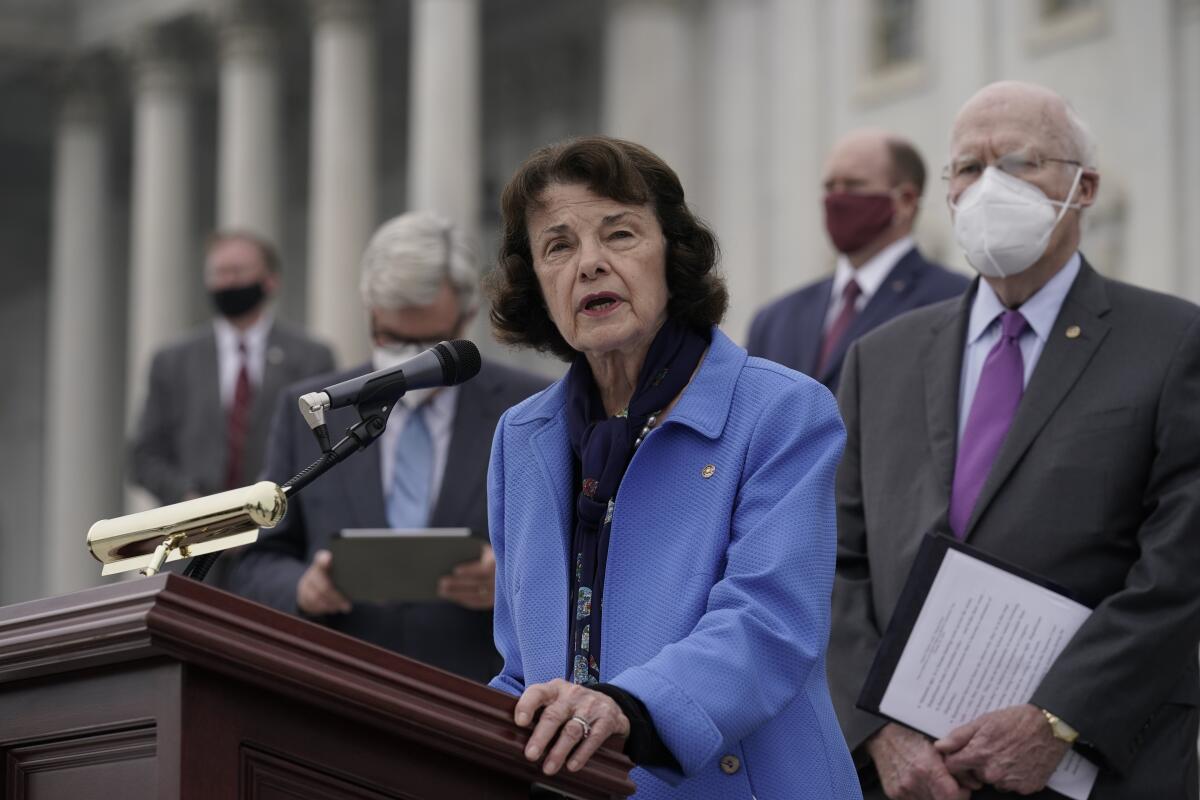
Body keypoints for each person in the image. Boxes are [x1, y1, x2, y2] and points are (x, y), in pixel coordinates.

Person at [828, 81, 1200, 800]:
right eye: (967, 168)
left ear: (1084, 187)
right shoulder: (881, 357)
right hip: (910, 775)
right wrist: (876, 729)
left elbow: (1180, 565)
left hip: (1097, 765)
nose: (988, 185)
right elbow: (834, 561)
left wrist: (1058, 720)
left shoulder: (1173, 342)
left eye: (1020, 161)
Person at [485, 136, 862, 799]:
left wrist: (626, 709)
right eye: (558, 246)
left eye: (620, 234)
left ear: (673, 256)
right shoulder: (522, 437)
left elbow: (767, 623)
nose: (591, 264)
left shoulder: (782, 411)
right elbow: (522, 667)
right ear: (536, 285)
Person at [229, 212, 548, 682]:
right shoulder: (313, 409)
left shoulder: (531, 409)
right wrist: (302, 587)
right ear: (370, 313)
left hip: (483, 699)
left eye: (429, 345)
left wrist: (509, 585)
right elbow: (255, 559)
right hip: (339, 694)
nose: (407, 362)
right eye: (393, 339)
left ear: (466, 318)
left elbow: (582, 563)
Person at [747, 129, 967, 389]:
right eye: (830, 187)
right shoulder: (775, 320)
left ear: (905, 201)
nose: (837, 199)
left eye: (853, 186)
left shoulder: (955, 301)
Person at [129, 230, 335, 500]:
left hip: (280, 526)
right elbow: (144, 456)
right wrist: (186, 493)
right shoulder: (172, 361)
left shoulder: (311, 358)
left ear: (270, 280)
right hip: (197, 529)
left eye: (237, 272)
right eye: (218, 273)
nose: (227, 282)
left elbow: (323, 446)